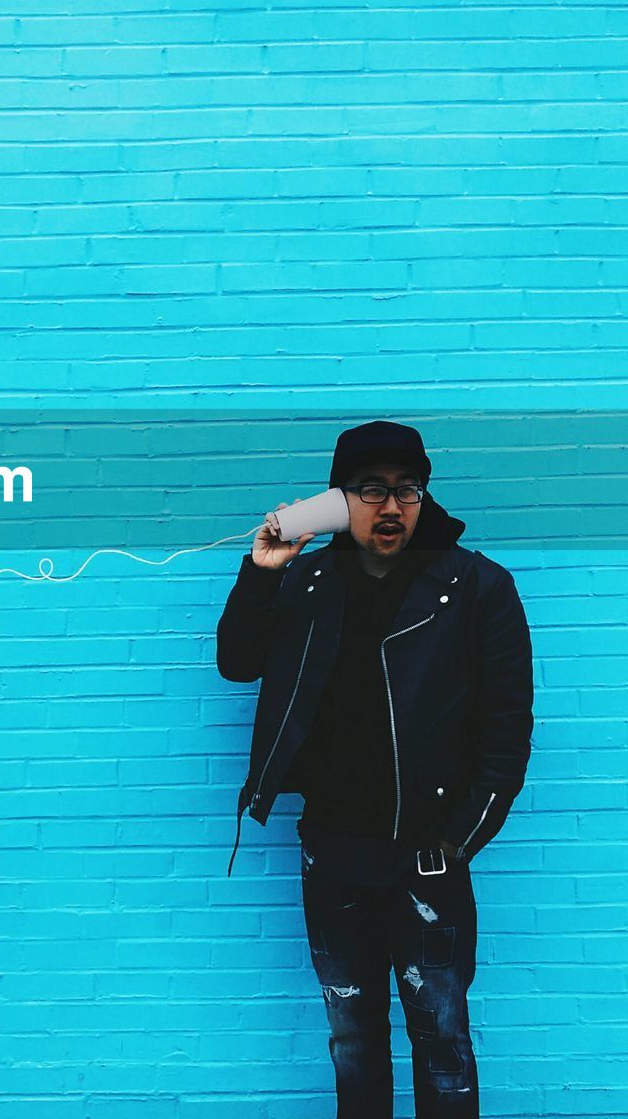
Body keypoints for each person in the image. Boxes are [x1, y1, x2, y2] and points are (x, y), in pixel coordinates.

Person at [215, 421, 533, 1119]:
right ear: (338, 500)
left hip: (428, 863)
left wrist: (455, 845)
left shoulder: (476, 586)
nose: (390, 507)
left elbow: (507, 731)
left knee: (442, 1039)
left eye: (406, 489)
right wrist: (262, 572)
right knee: (353, 1041)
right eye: (369, 490)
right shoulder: (309, 581)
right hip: (332, 854)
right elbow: (238, 662)